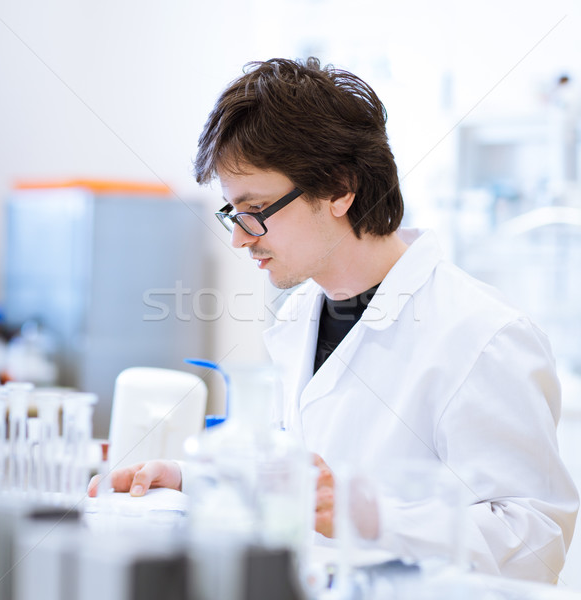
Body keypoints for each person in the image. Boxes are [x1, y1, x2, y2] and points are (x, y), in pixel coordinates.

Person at [89, 57, 578, 583]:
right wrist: (194, 481)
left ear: (340, 190)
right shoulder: (302, 312)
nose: (239, 237)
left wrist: (364, 515)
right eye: (233, 213)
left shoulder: (483, 335)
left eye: (254, 210)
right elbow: (298, 482)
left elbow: (535, 541)